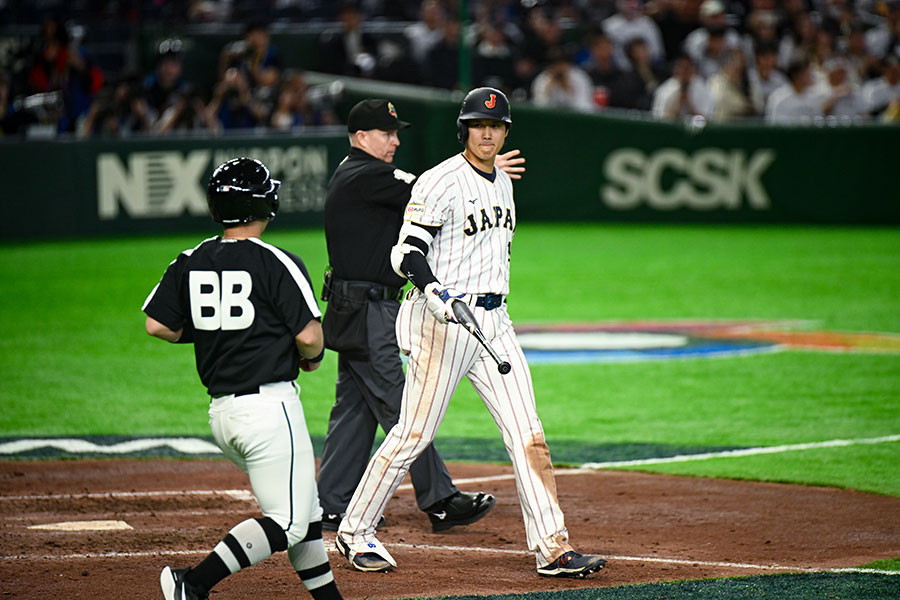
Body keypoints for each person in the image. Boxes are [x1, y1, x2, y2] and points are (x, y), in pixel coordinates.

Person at [334, 87, 605, 579]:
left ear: (505, 132)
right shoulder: (439, 181)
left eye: (496, 126)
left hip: (495, 323)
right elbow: (406, 251)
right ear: (464, 129)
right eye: (479, 125)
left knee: (529, 436)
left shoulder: (503, 184)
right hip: (442, 323)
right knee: (413, 434)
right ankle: (355, 531)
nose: (487, 133)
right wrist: (434, 290)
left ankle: (552, 547)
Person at [318, 98, 525, 533]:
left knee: (355, 407)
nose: (395, 141)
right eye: (386, 133)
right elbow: (433, 188)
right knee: (406, 409)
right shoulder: (367, 174)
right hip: (368, 310)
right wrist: (483, 171)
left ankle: (332, 503)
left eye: (396, 133)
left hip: (352, 306)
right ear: (361, 137)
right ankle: (439, 498)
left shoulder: (352, 173)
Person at [143, 157, 342, 600]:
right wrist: (309, 358)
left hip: (224, 416)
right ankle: (192, 584)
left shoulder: (191, 259)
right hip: (269, 411)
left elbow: (158, 325)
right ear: (262, 204)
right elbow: (310, 337)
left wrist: (215, 332)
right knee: (289, 522)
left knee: (305, 517)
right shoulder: (276, 260)